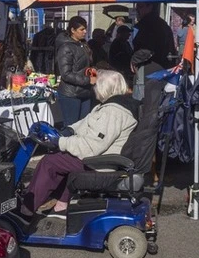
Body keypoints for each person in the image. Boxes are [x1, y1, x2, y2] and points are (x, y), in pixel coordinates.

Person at [14, 70, 139, 221]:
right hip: (101, 158)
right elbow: (86, 123)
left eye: (97, 86)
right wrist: (70, 130)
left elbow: (91, 146)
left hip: (101, 163)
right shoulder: (111, 106)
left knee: (50, 162)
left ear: (104, 88)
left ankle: (27, 209)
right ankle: (61, 204)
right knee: (63, 158)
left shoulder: (112, 112)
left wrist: (60, 142)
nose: (94, 89)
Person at [55, 16, 95, 126]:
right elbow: (66, 74)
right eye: (81, 29)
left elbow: (88, 66)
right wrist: (88, 80)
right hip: (70, 94)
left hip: (85, 92)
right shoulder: (66, 47)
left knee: (84, 126)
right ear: (73, 30)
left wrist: (94, 74)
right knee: (71, 127)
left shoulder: (83, 45)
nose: (85, 32)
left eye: (85, 29)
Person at [133, 2, 177, 68]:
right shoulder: (161, 23)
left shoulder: (150, 24)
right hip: (160, 67)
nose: (137, 9)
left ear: (150, 7)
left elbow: (147, 47)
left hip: (150, 68)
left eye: (140, 6)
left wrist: (135, 59)